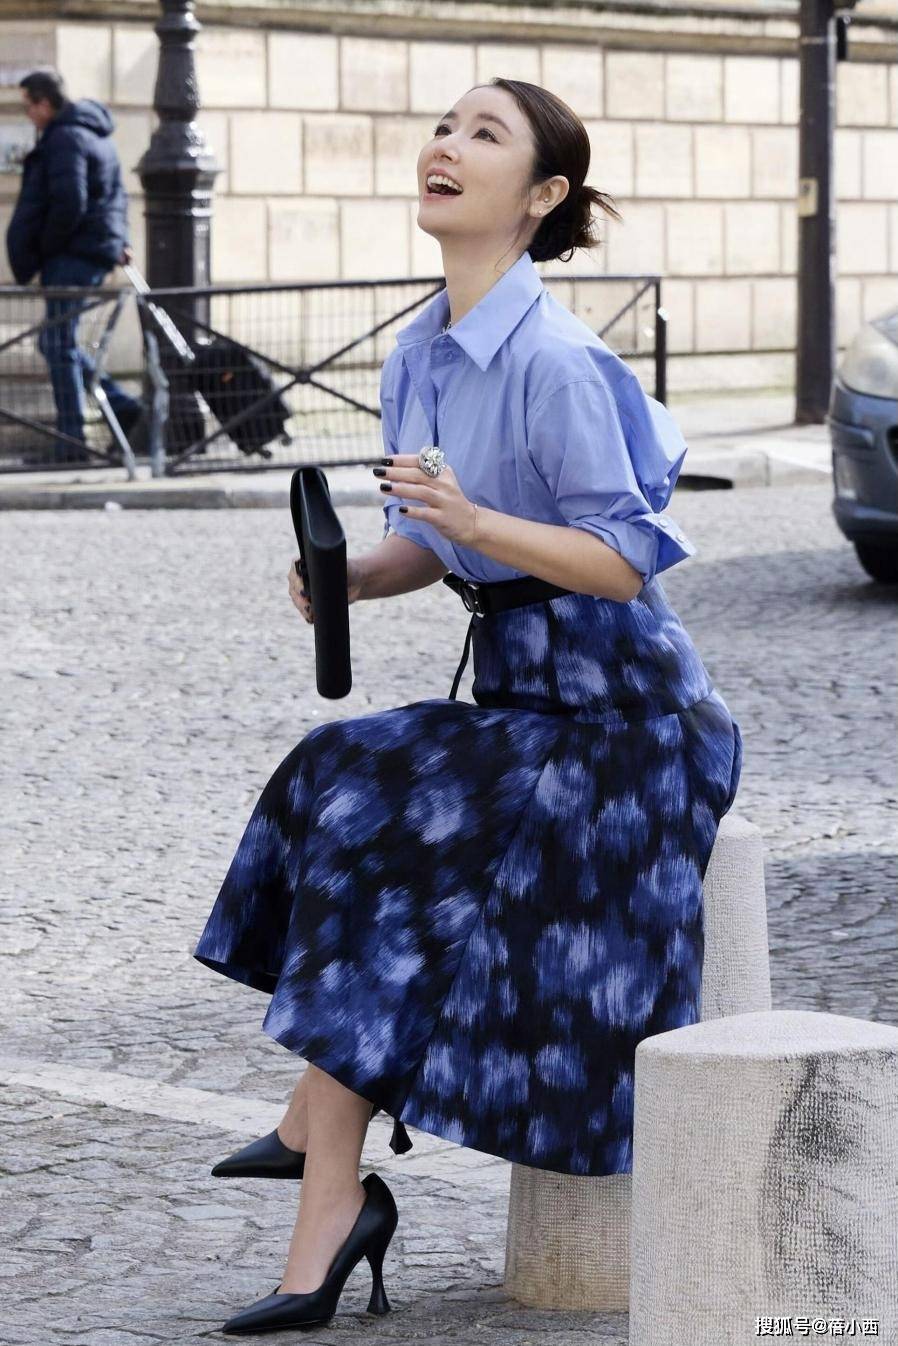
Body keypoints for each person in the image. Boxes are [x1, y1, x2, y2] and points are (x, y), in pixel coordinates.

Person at [192, 77, 744, 1336]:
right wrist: (350, 574)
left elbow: (622, 560)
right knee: (335, 772)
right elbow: (432, 542)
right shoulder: (417, 354)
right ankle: (325, 1161)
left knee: (375, 812)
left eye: (483, 134)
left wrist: (475, 520)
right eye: (444, 125)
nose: (444, 145)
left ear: (542, 195)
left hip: (631, 721)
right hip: (522, 698)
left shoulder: (559, 362)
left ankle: (322, 1180)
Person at [6, 68, 142, 464]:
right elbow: (114, 196)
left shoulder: (66, 137)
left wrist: (45, 250)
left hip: (73, 255)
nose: (28, 115)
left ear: (45, 103)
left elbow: (70, 201)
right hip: (90, 250)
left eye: (29, 106)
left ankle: (72, 443)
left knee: (58, 344)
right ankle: (121, 406)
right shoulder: (94, 135)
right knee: (55, 341)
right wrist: (119, 240)